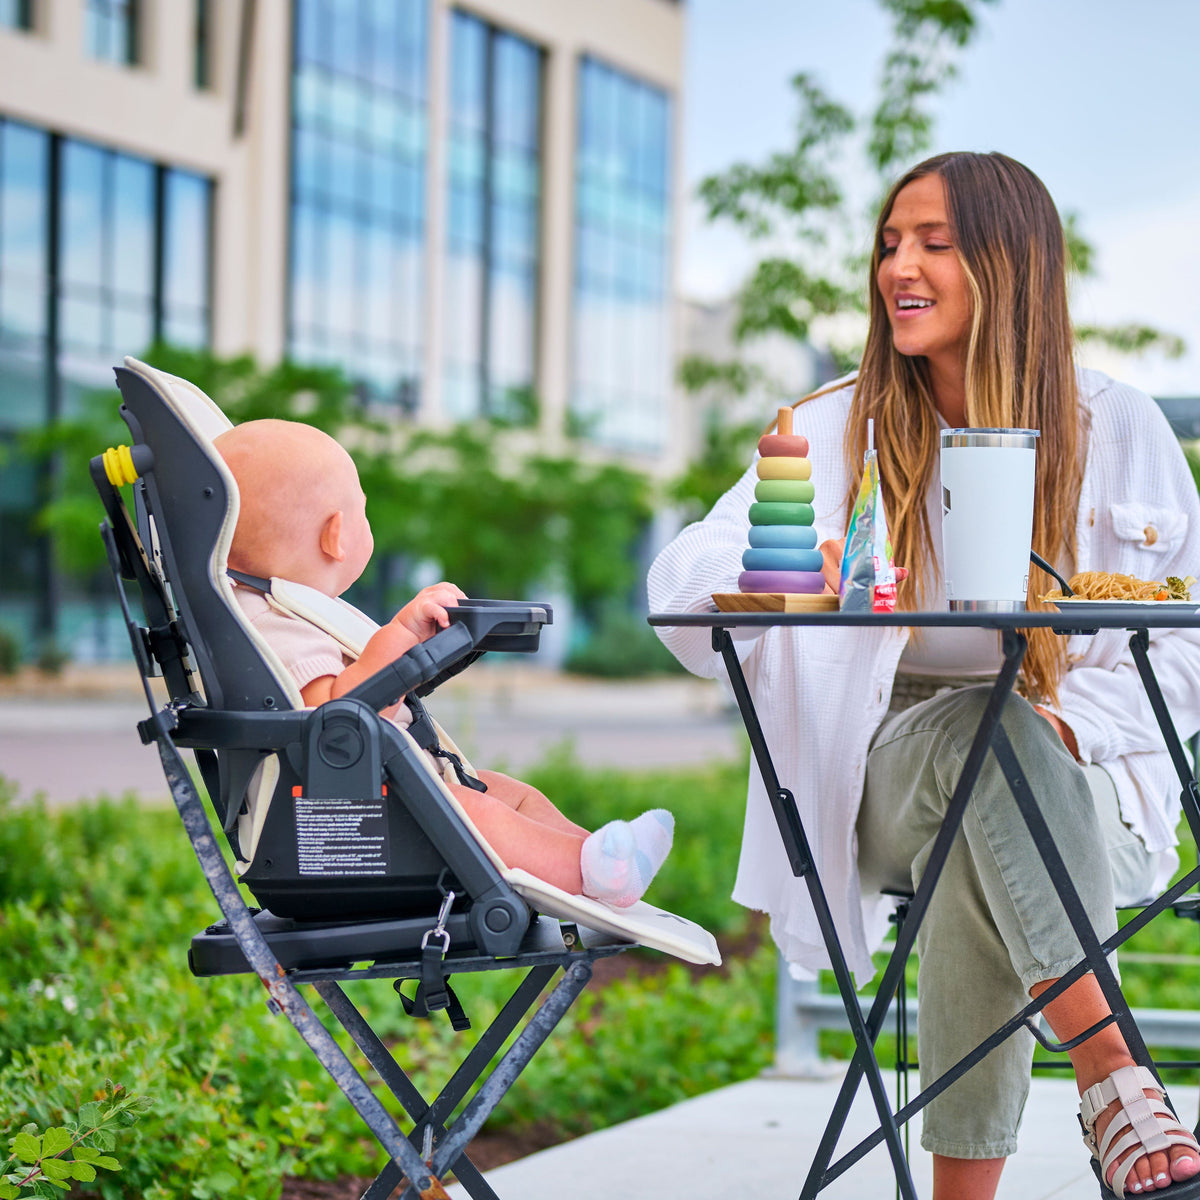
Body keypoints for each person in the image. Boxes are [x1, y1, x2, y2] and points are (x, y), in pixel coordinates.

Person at [648, 151, 1200, 1199]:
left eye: (934, 244)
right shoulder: (829, 424)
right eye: (890, 243)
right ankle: (1116, 1078)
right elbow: (685, 580)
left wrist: (1069, 727)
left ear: (1011, 264)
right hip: (884, 767)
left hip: (1090, 782)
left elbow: (1188, 643)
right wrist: (781, 570)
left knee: (987, 817)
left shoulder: (1119, 425)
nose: (899, 265)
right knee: (974, 747)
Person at [214, 417, 673, 909]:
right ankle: (593, 871)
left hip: (381, 801)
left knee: (511, 796)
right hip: (340, 831)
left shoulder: (286, 614)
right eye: (364, 512)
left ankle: (597, 859)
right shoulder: (275, 626)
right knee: (477, 812)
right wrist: (399, 637)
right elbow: (334, 721)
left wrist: (407, 641)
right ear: (337, 535)